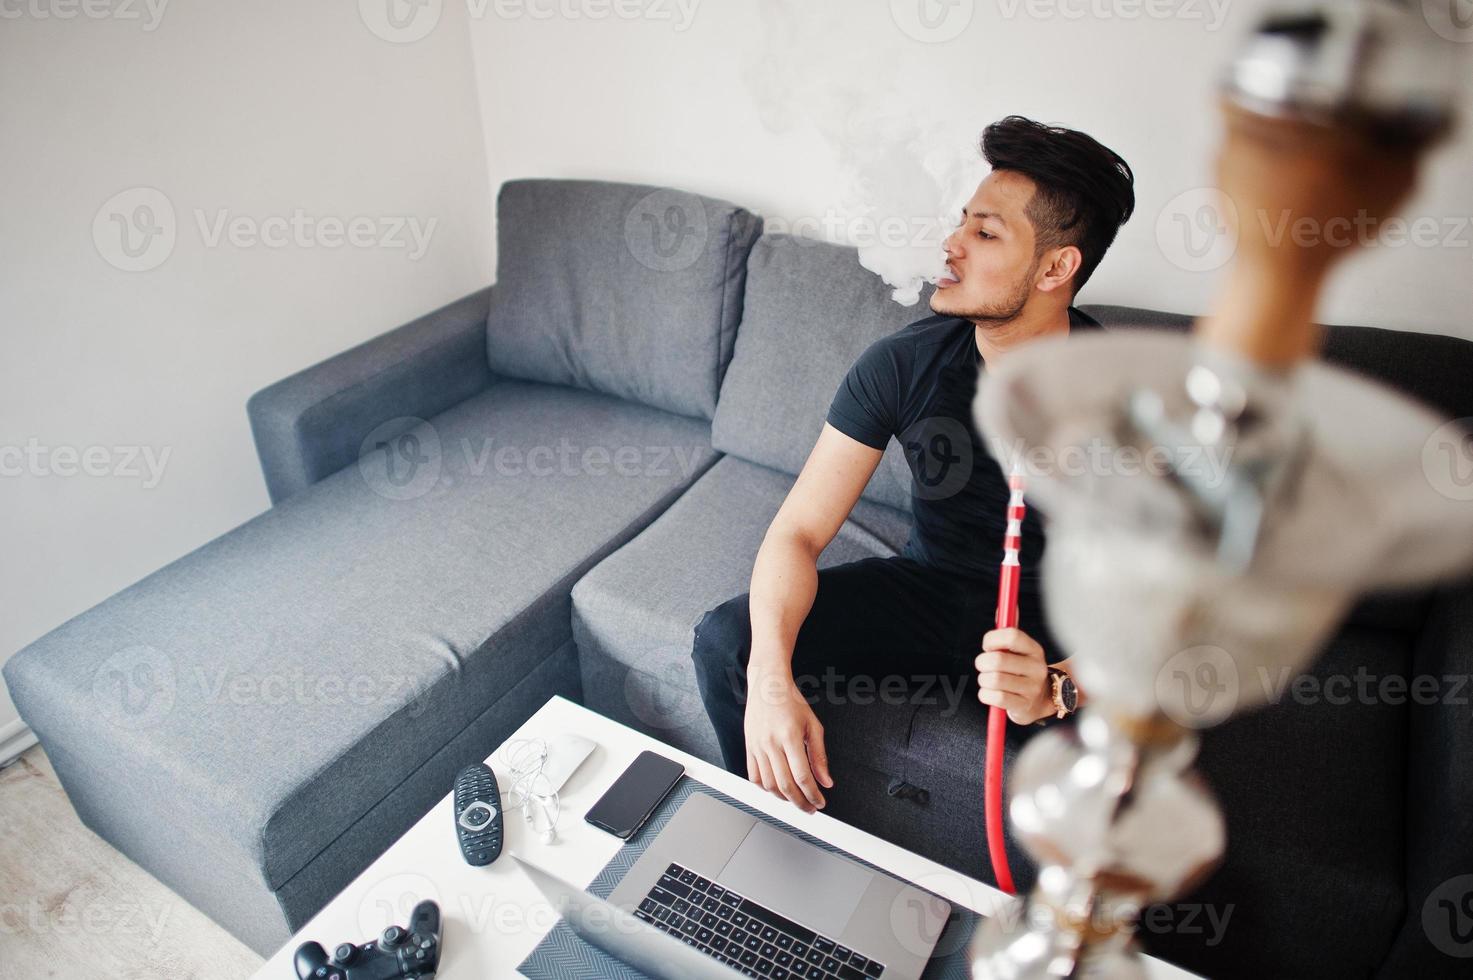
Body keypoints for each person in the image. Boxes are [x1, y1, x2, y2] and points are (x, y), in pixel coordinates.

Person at [690, 115, 1136, 815]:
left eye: (985, 233)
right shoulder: (902, 363)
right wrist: (771, 681)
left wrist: (1058, 687)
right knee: (729, 644)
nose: (950, 245)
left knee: (1118, 788)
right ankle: (782, 851)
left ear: (1055, 268)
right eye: (963, 222)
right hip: (930, 595)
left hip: (1053, 625)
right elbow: (798, 533)